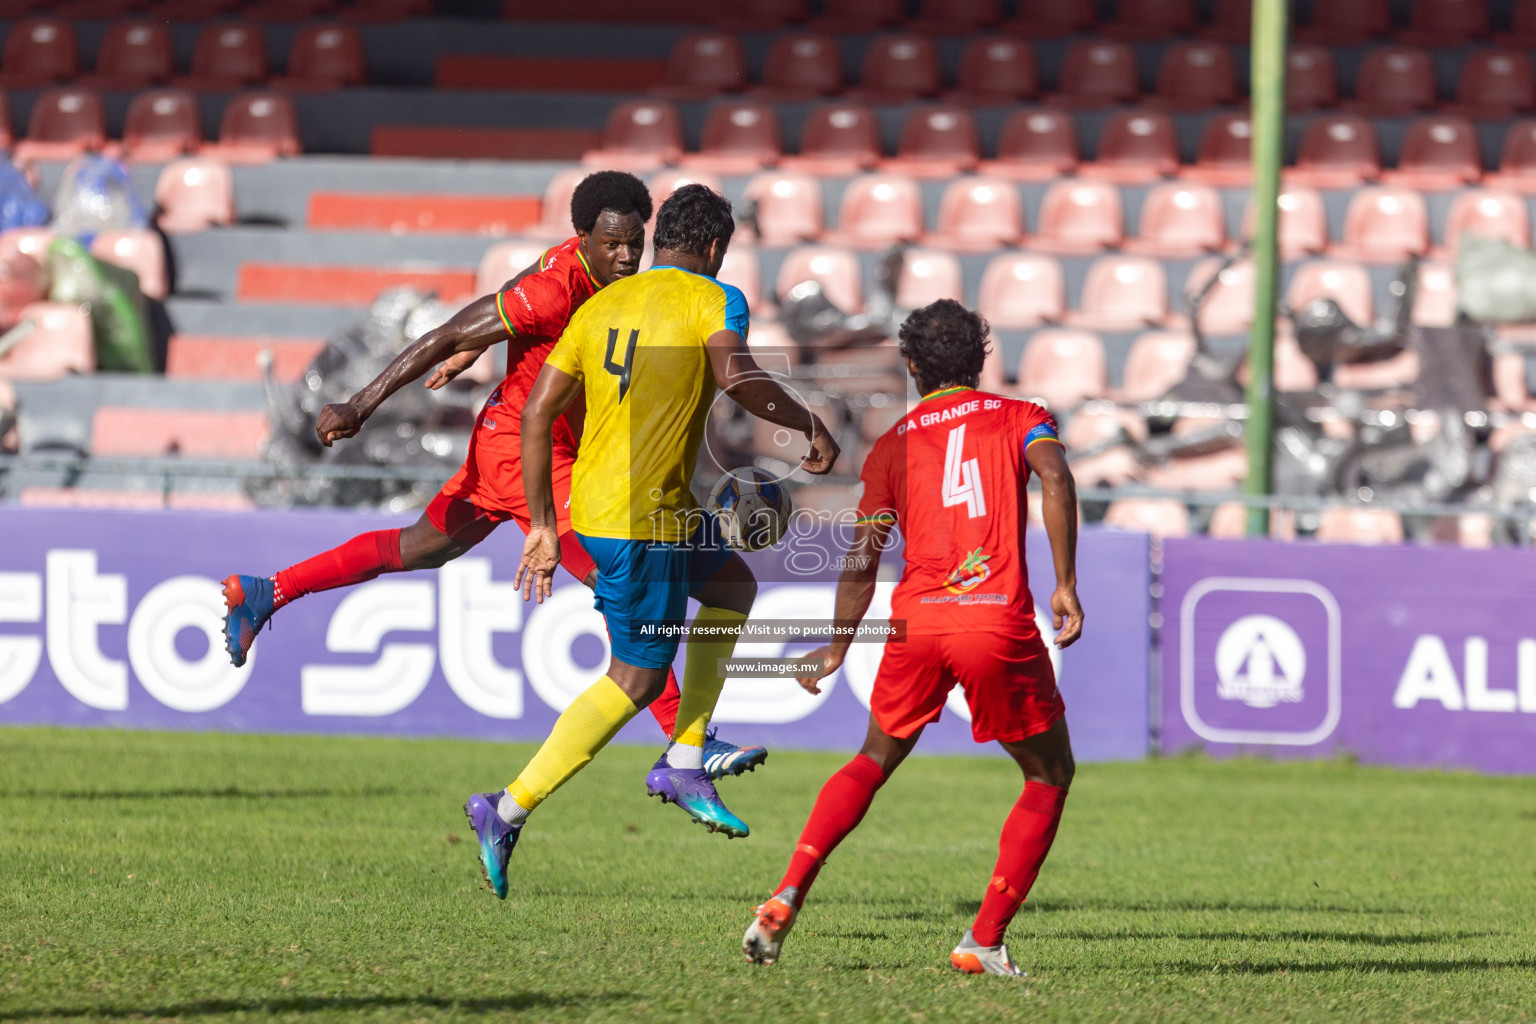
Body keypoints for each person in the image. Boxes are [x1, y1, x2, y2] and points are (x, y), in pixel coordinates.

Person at [218, 171, 768, 780]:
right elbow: (451, 328)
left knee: (416, 549)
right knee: (626, 589)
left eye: (633, 244)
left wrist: (482, 345)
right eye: (612, 244)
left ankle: (267, 590)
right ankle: (688, 744)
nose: (625, 256)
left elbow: (507, 295)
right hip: (528, 453)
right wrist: (360, 405)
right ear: (582, 236)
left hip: (519, 444)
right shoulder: (558, 288)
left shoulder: (599, 278)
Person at [463, 184, 841, 901]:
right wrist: (807, 424)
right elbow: (736, 374)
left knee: (734, 586)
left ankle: (689, 752)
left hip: (631, 510)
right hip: (639, 520)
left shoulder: (600, 304)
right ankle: (506, 808)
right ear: (715, 248)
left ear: (659, 236)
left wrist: (546, 521)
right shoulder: (715, 297)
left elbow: (537, 412)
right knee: (634, 680)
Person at [740, 298, 1083, 977]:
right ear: (981, 361)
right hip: (992, 619)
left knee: (871, 759)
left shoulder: (894, 442)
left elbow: (862, 554)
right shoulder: (1023, 418)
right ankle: (983, 942)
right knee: (1049, 774)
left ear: (913, 366)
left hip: (917, 621)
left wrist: (838, 646)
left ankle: (787, 892)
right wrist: (1066, 583)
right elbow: (1056, 476)